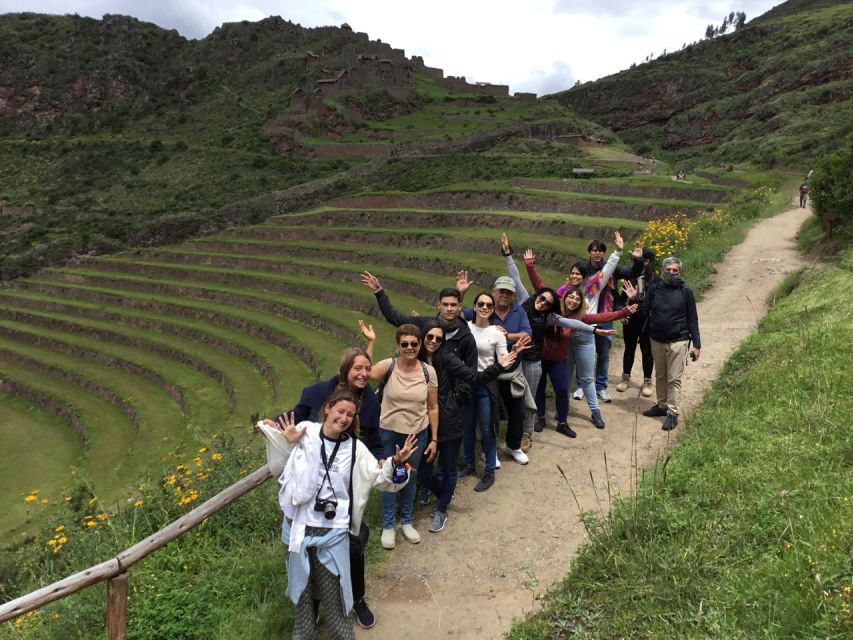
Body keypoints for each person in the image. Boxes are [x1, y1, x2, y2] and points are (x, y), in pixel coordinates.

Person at [259, 388, 418, 640]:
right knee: (302, 595)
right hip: (298, 527)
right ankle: (304, 635)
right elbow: (280, 456)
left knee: (334, 596)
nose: (344, 418)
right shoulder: (306, 432)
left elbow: (380, 479)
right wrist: (282, 437)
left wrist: (396, 463)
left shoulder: (355, 449)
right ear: (327, 409)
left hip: (331, 533)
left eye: (350, 415)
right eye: (340, 411)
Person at [272, 336, 382, 628]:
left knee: (353, 547)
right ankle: (317, 610)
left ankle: (356, 600)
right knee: (311, 558)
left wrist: (384, 461)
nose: (363, 374)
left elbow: (376, 442)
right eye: (357, 368)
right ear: (345, 370)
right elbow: (290, 421)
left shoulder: (370, 402)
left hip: (349, 487)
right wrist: (274, 428)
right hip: (310, 494)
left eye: (367, 369)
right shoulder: (316, 393)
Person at [415, 318, 517, 529]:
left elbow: (474, 377)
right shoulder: (415, 358)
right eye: (430, 337)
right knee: (423, 470)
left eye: (438, 338)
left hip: (449, 418)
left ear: (443, 341)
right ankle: (443, 492)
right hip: (420, 420)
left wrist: (498, 367)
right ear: (423, 337)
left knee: (449, 467)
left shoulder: (448, 359)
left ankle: (442, 510)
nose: (433, 341)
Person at [499, 233, 598, 446]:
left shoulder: (551, 316)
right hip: (514, 356)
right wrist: (508, 254)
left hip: (534, 358)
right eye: (542, 297)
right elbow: (515, 277)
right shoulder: (526, 299)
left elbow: (574, 323)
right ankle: (518, 428)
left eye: (548, 302)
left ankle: (538, 430)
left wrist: (594, 331)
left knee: (536, 394)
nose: (542, 302)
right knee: (513, 395)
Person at [368, 324, 438, 549]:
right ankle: (389, 525)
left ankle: (406, 521)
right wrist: (371, 342)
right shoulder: (389, 366)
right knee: (389, 477)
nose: (409, 347)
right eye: (404, 344)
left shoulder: (428, 371)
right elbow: (365, 372)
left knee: (409, 477)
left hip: (417, 433)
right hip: (388, 432)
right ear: (397, 345)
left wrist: (434, 438)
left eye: (414, 344)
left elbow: (433, 407)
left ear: (420, 345)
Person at [457, 274, 533, 467]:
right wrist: (460, 293)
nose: (504, 295)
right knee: (491, 416)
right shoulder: (479, 311)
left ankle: (513, 446)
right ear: (494, 292)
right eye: (501, 291)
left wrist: (509, 335)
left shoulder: (518, 311)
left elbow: (527, 335)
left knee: (517, 411)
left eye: (509, 292)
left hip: (510, 372)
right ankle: (490, 451)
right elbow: (455, 315)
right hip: (488, 375)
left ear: (514, 295)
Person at [558, 233, 644, 403]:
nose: (597, 253)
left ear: (604, 253)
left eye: (600, 251)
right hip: (583, 317)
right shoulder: (583, 271)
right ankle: (582, 386)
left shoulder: (610, 269)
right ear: (589, 252)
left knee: (603, 354)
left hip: (605, 314)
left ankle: (601, 387)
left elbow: (633, 271)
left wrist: (637, 259)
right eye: (594, 250)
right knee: (581, 353)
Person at [640, 257, 702, 431]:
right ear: (662, 270)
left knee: (674, 379)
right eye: (668, 269)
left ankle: (673, 413)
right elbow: (645, 310)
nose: (671, 273)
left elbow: (692, 320)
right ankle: (661, 406)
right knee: (660, 376)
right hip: (656, 339)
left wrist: (697, 345)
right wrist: (633, 299)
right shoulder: (654, 289)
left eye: (675, 270)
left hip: (678, 341)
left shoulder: (686, 292)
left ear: (680, 272)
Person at [615, 248, 658, 397]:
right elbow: (621, 299)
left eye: (642, 260)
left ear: (648, 262)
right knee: (629, 348)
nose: (640, 263)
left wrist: (637, 297)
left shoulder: (655, 281)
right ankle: (625, 378)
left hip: (647, 321)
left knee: (647, 351)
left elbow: (655, 303)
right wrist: (622, 312)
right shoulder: (632, 279)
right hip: (631, 319)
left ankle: (647, 381)